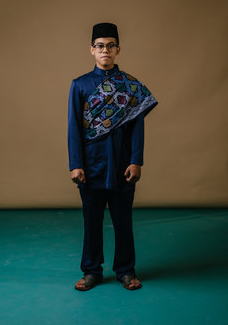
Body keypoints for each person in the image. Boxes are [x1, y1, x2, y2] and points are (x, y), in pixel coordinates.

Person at [67, 22, 158, 291]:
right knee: (91, 222)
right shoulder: (80, 85)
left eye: (110, 46)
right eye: (99, 46)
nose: (105, 50)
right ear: (91, 50)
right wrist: (76, 164)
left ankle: (126, 271)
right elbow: (73, 128)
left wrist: (136, 160)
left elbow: (137, 127)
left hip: (121, 165)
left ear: (118, 50)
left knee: (123, 221)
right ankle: (92, 271)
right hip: (91, 166)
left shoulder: (130, 87)